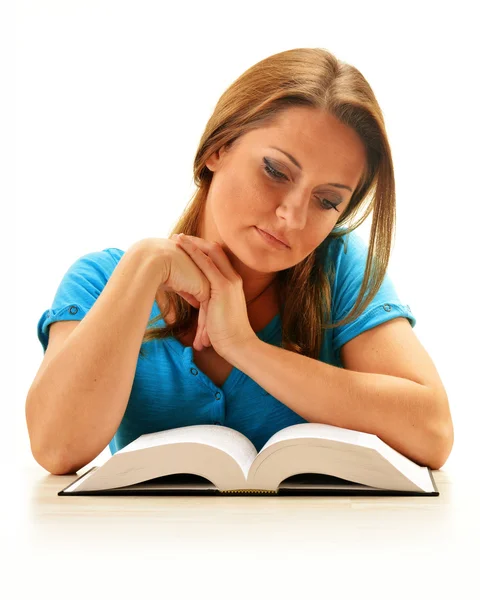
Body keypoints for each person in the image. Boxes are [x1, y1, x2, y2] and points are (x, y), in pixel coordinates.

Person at [26, 47, 452, 475]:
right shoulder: (102, 280)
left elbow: (432, 433)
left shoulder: (337, 270)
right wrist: (146, 263)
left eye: (326, 200)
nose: (292, 216)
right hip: (149, 542)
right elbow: (56, 448)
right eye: (276, 171)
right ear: (218, 148)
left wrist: (245, 348)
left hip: (313, 543)